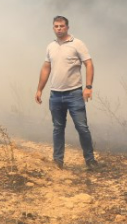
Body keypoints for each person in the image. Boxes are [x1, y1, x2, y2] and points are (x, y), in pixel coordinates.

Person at [35, 15, 98, 169]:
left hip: (74, 94)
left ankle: (90, 160)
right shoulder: (51, 46)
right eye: (56, 26)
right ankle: (58, 161)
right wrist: (39, 89)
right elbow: (46, 68)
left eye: (62, 26)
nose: (59, 29)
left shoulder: (77, 44)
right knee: (58, 128)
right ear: (53, 28)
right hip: (55, 95)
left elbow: (88, 64)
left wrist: (88, 87)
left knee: (82, 127)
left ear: (67, 27)